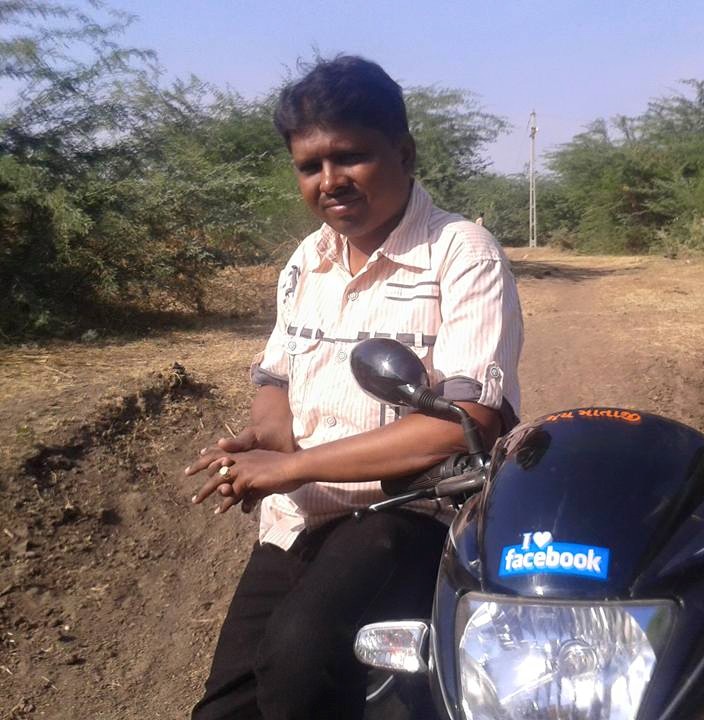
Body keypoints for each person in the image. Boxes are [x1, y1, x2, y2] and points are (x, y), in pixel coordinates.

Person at [185, 55, 523, 719]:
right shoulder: (306, 260)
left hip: (411, 512)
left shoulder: (462, 254)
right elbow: (277, 377)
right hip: (301, 515)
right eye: (310, 166)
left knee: (299, 660)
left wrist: (290, 466)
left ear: (404, 152)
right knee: (225, 707)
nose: (330, 181)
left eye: (350, 157)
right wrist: (266, 441)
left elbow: (465, 421)